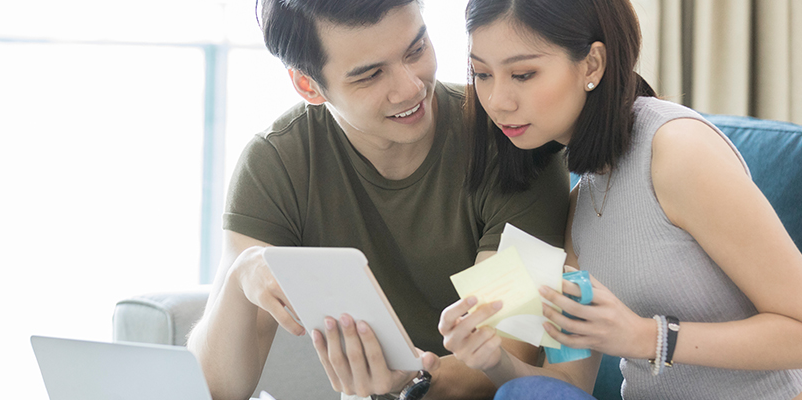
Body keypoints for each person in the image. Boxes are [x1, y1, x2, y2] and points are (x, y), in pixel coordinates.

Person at [436, 0, 802, 399]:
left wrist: (645, 336)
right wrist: (491, 360)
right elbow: (567, 382)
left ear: (592, 64)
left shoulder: (677, 151)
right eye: (482, 74)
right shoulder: (581, 203)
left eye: (523, 74)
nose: (497, 101)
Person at [184, 0, 571, 399]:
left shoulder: (513, 143)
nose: (411, 87)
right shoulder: (278, 162)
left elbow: (506, 351)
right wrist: (239, 275)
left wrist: (410, 382)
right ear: (309, 85)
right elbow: (214, 390)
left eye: (416, 50)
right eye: (370, 75)